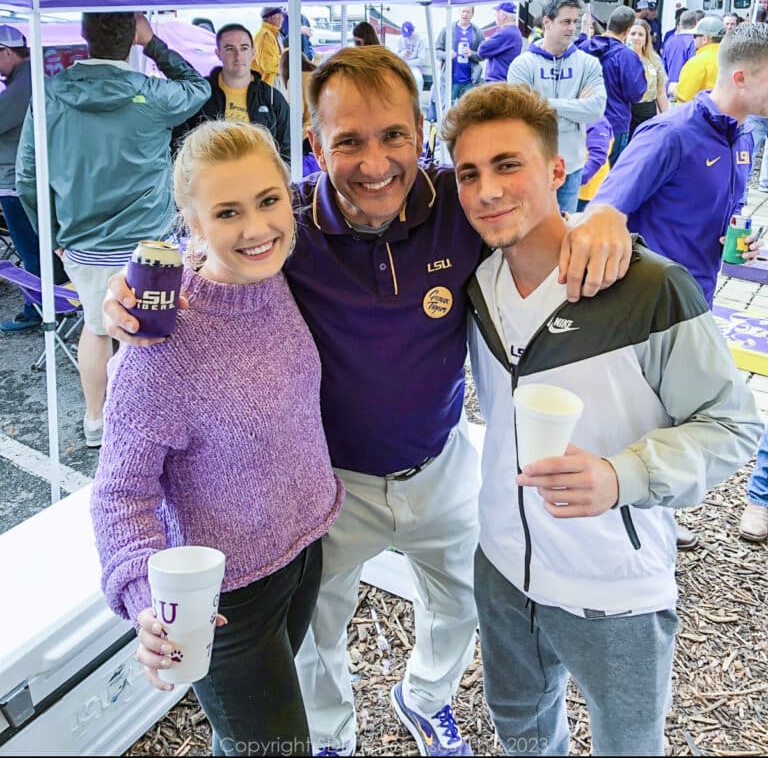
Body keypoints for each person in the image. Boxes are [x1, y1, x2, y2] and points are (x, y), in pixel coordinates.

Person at [103, 45, 633, 757]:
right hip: (330, 486)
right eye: (348, 141)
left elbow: (530, 207)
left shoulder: (457, 207)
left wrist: (605, 214)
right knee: (322, 633)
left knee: (463, 601)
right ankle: (330, 738)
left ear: (420, 131)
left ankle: (425, 695)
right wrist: (132, 286)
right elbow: (214, 233)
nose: (376, 162)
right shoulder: (284, 223)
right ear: (316, 144)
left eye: (393, 136)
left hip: (440, 462)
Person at [442, 81, 761, 757]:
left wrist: (624, 476)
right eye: (469, 174)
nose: (488, 191)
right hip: (499, 566)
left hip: (614, 586)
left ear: (558, 169)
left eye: (508, 165)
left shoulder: (650, 288)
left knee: (629, 744)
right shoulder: (476, 285)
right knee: (522, 730)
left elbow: (733, 426)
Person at [91, 121, 344, 757]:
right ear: (193, 224)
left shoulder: (280, 277)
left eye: (269, 200)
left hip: (302, 553)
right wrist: (150, 604)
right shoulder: (160, 342)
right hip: (222, 599)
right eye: (227, 212)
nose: (257, 228)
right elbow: (121, 492)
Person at [16, 12, 210, 448]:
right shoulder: (153, 94)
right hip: (152, 241)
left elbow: (28, 176)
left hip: (83, 243)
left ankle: (95, 421)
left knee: (97, 327)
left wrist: (54, 238)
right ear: (132, 38)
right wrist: (154, 42)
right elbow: (199, 87)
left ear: (85, 36)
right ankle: (157, 422)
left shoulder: (49, 94)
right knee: (157, 329)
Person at [592, 22, 768, 307]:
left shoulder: (742, 137)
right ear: (741, 78)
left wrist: (740, 241)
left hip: (698, 298)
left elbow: (730, 209)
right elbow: (601, 215)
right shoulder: (671, 134)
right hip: (647, 303)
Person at [507, 0, 606, 214]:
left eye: (575, 21)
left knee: (563, 235)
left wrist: (541, 102)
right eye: (566, 22)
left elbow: (596, 109)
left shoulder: (588, 64)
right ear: (547, 22)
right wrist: (575, 105)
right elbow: (520, 114)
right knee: (527, 232)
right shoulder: (523, 64)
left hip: (571, 167)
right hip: (532, 165)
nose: (572, 28)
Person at [0, 25, 65, 333]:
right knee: (41, 246)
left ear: (8, 52)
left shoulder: (23, 84)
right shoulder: (33, 80)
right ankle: (52, 302)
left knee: (30, 250)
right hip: (35, 178)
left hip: (17, 182)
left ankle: (36, 308)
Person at [173, 23, 290, 163]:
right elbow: (180, 145)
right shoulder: (200, 95)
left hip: (260, 181)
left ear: (253, 52)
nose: (238, 55)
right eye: (230, 49)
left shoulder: (271, 98)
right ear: (218, 53)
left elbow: (287, 150)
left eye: (244, 48)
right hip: (212, 181)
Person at [580, 5, 647, 167]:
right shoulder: (627, 56)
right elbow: (636, 93)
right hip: (614, 123)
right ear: (627, 30)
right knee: (611, 174)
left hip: (584, 119)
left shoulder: (584, 48)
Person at [279, 49, 320, 176]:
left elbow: (297, 112)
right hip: (323, 130)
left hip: (307, 136)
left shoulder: (295, 80)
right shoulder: (317, 75)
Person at [627, 18, 669, 137]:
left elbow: (660, 92)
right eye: (633, 33)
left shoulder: (654, 60)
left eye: (641, 34)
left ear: (646, 39)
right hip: (626, 112)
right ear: (626, 35)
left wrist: (666, 117)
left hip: (647, 112)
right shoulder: (621, 57)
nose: (636, 38)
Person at [435, 5, 484, 102]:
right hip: (450, 80)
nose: (465, 14)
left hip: (469, 81)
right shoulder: (447, 30)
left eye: (468, 12)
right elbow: (437, 51)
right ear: (459, 12)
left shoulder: (477, 32)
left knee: (466, 113)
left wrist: (472, 54)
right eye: (463, 11)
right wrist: (447, 55)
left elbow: (482, 55)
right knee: (448, 111)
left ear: (472, 14)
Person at [674, 16, 725, 102]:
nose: (693, 39)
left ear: (705, 39)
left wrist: (673, 90)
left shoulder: (697, 62)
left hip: (705, 113)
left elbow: (683, 98)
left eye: (695, 36)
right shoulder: (735, 60)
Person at [477, 2, 523, 82]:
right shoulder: (515, 32)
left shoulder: (505, 33)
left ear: (504, 16)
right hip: (504, 80)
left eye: (497, 13)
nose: (495, 15)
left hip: (497, 82)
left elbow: (482, 50)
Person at [577, 116, 613, 212]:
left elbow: (597, 157)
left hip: (588, 193)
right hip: (576, 189)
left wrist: (575, 180)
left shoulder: (597, 122)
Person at [662, 9, 697, 86]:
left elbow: (663, 66)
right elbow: (694, 69)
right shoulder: (694, 42)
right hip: (685, 89)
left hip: (668, 87)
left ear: (680, 23)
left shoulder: (669, 40)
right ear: (695, 23)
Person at [253, 6, 284, 87]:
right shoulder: (265, 36)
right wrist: (286, 60)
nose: (283, 19)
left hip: (271, 82)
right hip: (269, 83)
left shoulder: (271, 34)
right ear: (273, 18)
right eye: (281, 16)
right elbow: (268, 65)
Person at [395, 21, 426, 90]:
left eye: (409, 34)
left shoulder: (420, 40)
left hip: (415, 66)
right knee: (397, 80)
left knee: (419, 80)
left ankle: (417, 99)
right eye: (405, 35)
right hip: (401, 64)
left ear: (413, 31)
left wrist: (407, 62)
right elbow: (395, 56)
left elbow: (421, 60)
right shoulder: (399, 39)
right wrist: (402, 54)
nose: (408, 37)